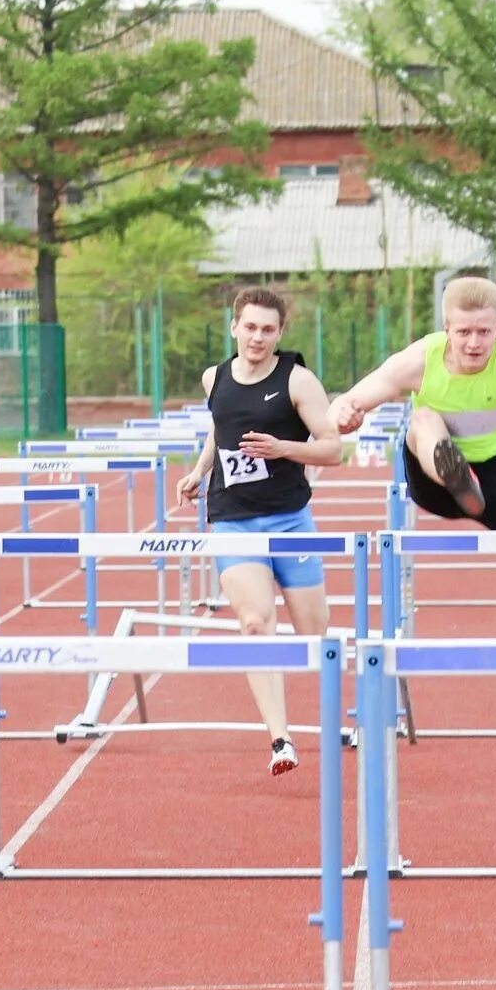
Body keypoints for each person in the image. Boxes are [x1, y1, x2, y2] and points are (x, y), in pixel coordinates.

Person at [327, 275, 496, 593]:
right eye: (464, 332)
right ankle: (455, 474)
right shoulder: (419, 360)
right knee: (423, 419)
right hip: (433, 478)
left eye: (484, 332)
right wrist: (343, 415)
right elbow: (345, 402)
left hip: (494, 471)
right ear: (446, 330)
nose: (474, 343)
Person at [176, 287, 341, 776]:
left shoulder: (299, 381)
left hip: (290, 518)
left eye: (268, 329)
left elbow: (333, 449)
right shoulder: (215, 377)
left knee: (314, 634)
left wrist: (283, 448)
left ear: (280, 333)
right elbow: (219, 429)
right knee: (254, 622)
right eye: (250, 327)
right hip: (232, 516)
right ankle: (280, 739)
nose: (258, 337)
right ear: (234, 327)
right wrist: (199, 471)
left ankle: (332, 717)